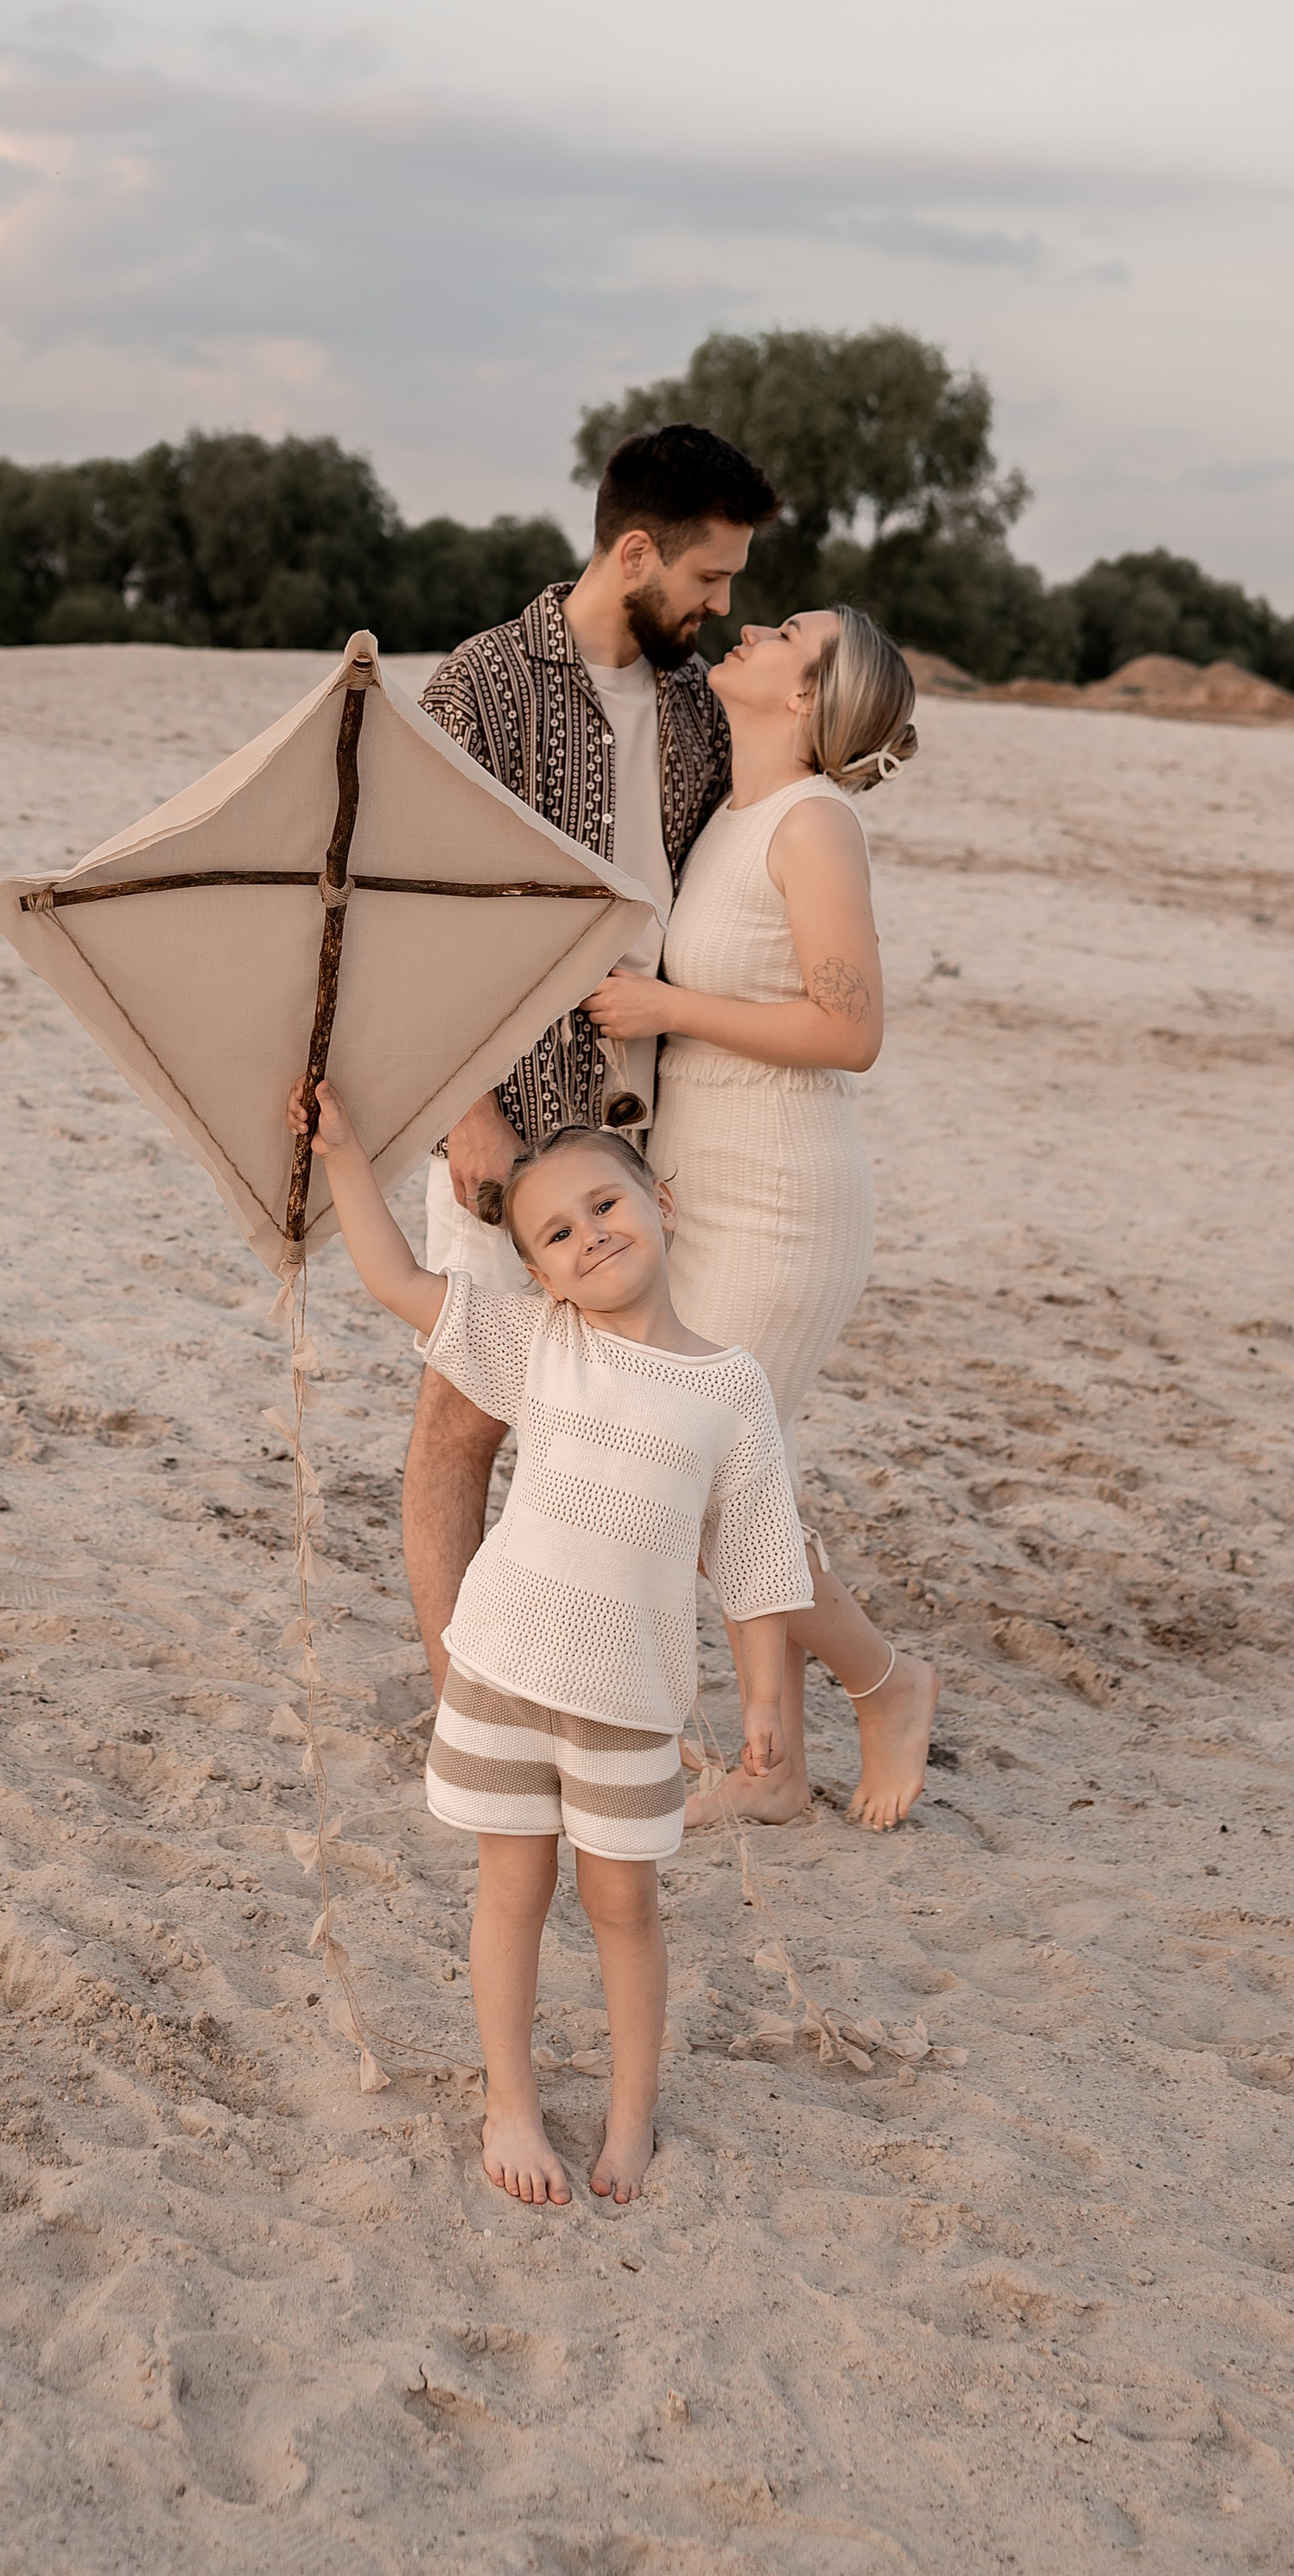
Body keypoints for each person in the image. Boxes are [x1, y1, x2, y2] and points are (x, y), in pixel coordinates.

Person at [288, 1081, 813, 2210]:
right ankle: (511, 2102)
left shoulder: (731, 1389)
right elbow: (397, 1280)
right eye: (559, 1235)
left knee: (625, 1908)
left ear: (663, 1203)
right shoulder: (538, 1345)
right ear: (538, 1275)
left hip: (629, 1697)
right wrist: (345, 1155)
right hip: (504, 1673)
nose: (591, 1238)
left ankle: (630, 2115)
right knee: (512, 1892)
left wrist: (766, 1700)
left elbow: (760, 1556)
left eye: (605, 1207)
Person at [409, 421, 781, 1692]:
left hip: (646, 1131)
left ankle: (553, 1677)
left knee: (607, 1423)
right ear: (635, 554)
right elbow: (420, 918)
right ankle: (462, 1702)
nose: (722, 605)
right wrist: (466, 1114)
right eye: (708, 577)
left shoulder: (696, 705)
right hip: (506, 1120)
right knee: (466, 1416)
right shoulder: (482, 687)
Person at [585, 605, 939, 1830]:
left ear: (808, 698)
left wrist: (667, 1008)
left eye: (787, 632)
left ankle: (885, 1683)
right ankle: (773, 1765)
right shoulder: (734, 818)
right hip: (703, 1182)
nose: (750, 625)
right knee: (735, 1486)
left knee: (707, 1483)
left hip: (784, 1199)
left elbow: (853, 1030)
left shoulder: (814, 822)